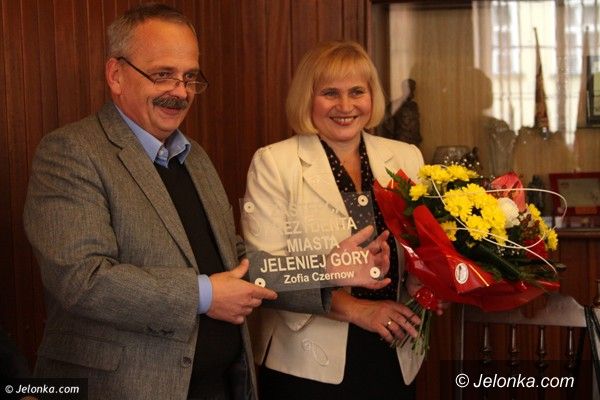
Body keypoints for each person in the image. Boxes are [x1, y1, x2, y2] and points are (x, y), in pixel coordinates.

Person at [22, 3, 280, 400]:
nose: (180, 92)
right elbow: (82, 279)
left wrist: (331, 269)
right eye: (163, 74)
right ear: (116, 75)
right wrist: (205, 295)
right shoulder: (70, 152)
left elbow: (234, 259)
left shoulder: (195, 157)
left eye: (189, 77)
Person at [243, 41, 444, 400]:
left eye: (357, 92)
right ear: (307, 98)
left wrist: (424, 281)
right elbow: (263, 272)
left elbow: (422, 248)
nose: (346, 106)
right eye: (330, 93)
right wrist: (359, 309)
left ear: (372, 96)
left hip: (394, 350)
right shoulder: (274, 163)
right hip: (305, 361)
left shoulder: (407, 157)